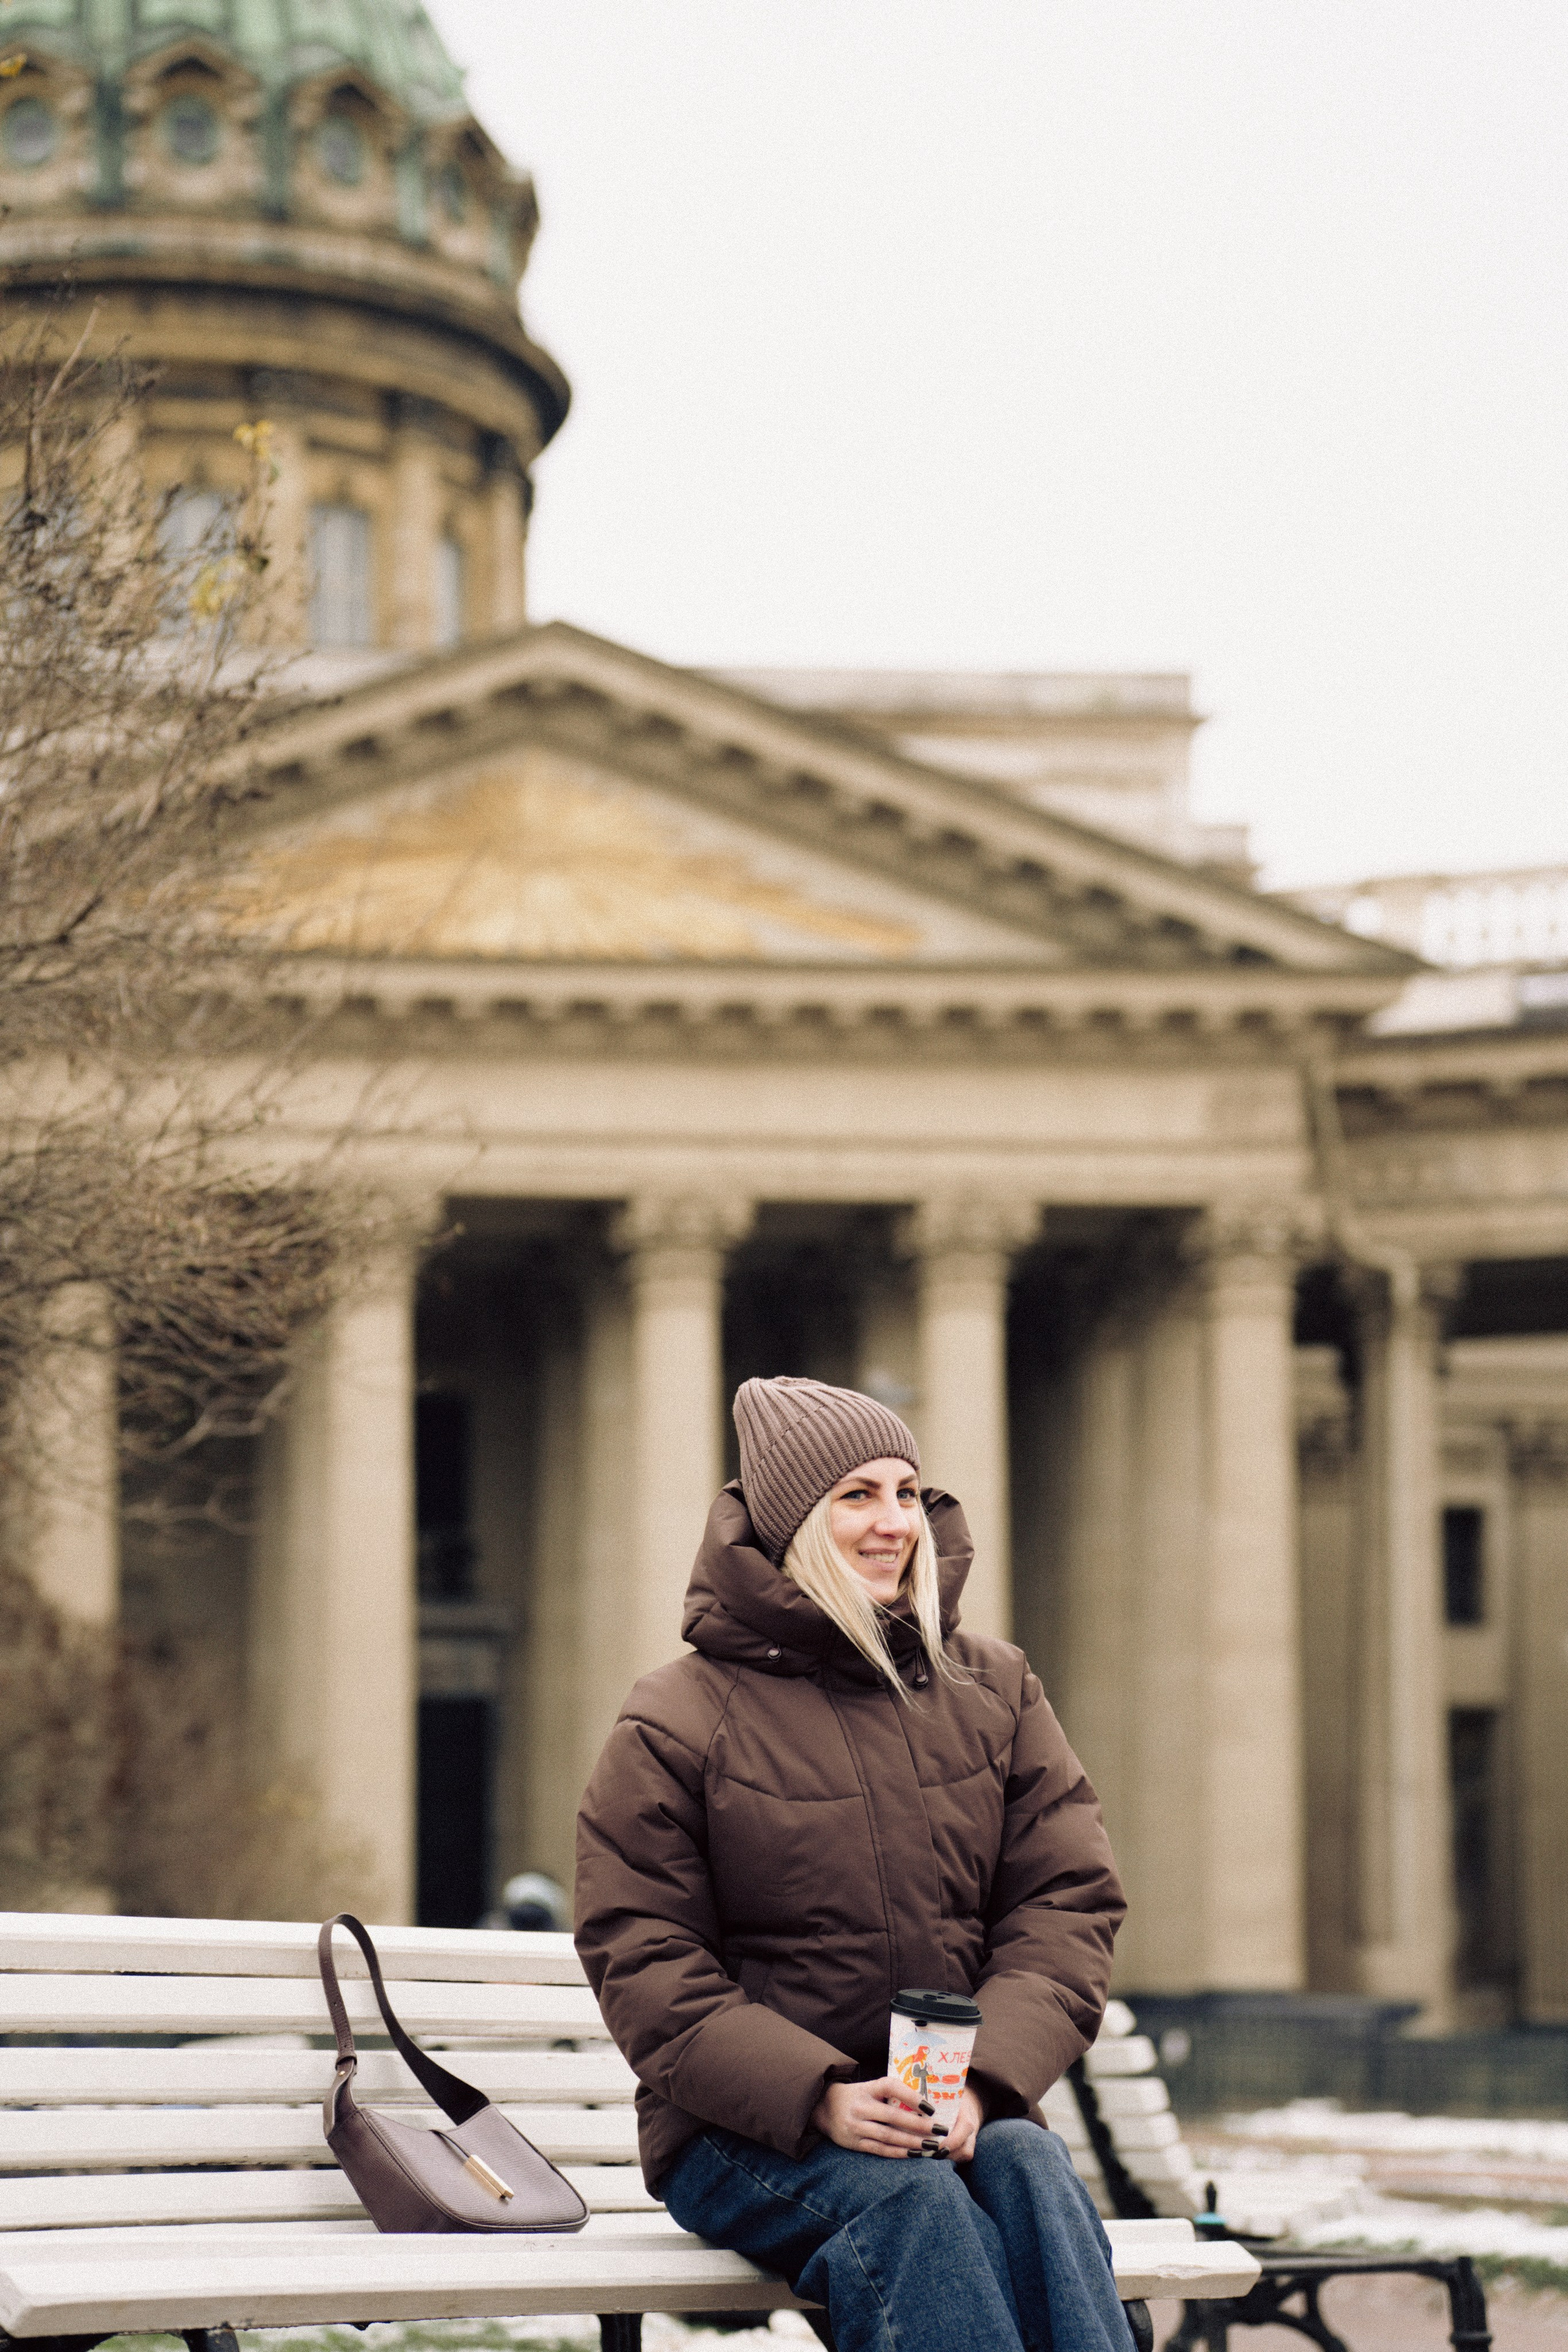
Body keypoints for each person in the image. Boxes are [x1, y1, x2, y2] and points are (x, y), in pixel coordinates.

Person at [575, 1374, 1130, 2352]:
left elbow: (1065, 1903)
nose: (895, 1523)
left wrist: (986, 2084)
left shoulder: (994, 1688)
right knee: (915, 2208)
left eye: (908, 1492)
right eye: (857, 1497)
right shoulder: (677, 1716)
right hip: (748, 2135)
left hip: (949, 2111)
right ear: (793, 1523)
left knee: (1029, 2170)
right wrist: (819, 2092)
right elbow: (644, 1955)